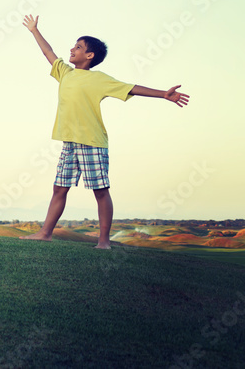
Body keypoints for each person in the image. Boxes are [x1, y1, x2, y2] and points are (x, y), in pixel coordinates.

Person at [20, 15, 189, 249]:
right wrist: (34, 30)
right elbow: (48, 53)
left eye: (78, 47)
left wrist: (163, 94)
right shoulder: (64, 73)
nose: (72, 48)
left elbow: (131, 88)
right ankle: (45, 233)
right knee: (59, 189)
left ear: (89, 55)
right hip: (69, 143)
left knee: (100, 191)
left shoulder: (99, 79)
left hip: (92, 142)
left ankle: (103, 241)